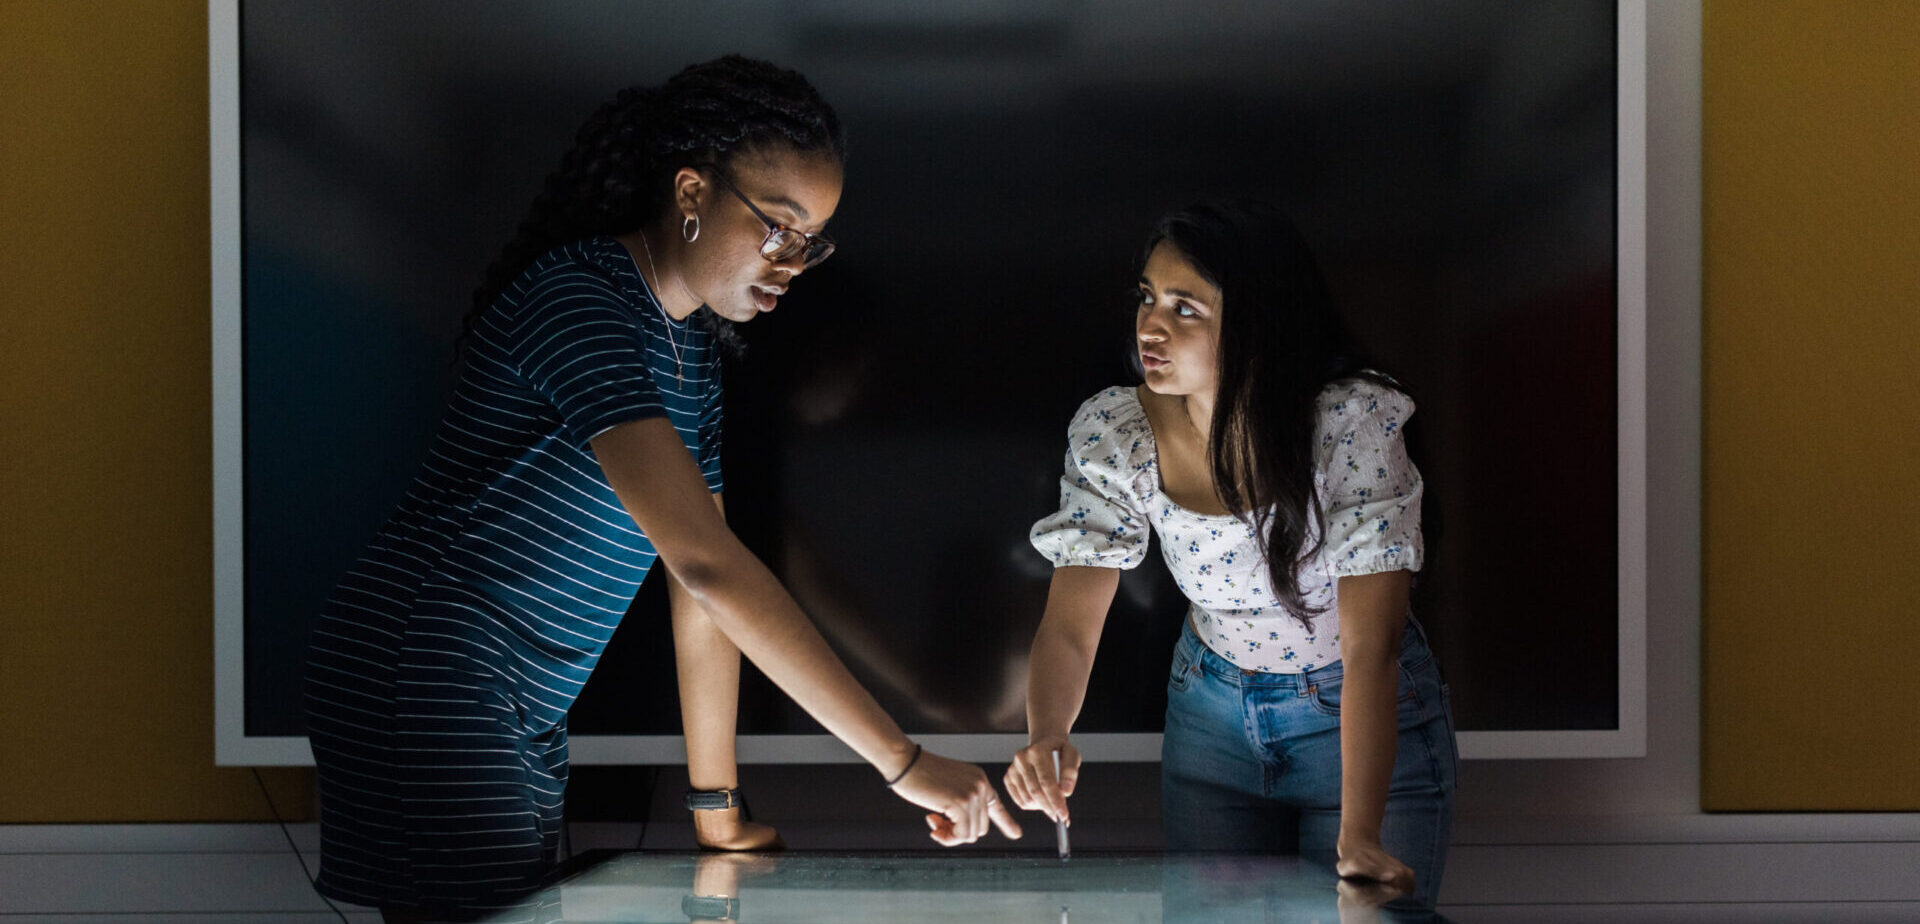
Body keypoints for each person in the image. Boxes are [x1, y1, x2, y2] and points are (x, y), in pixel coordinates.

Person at [305, 56, 1020, 922]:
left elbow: (701, 598)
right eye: (776, 227)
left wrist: (715, 808)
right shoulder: (583, 302)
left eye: (811, 240)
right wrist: (901, 762)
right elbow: (705, 565)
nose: (793, 261)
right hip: (428, 668)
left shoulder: (692, 360)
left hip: (520, 698)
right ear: (691, 193)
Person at [1004, 201, 1457, 912]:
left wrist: (1360, 833)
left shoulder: (1349, 422)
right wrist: (1046, 737)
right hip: (1210, 722)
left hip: (1355, 715)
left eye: (1186, 308)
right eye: (1148, 298)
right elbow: (1070, 625)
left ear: (1257, 321)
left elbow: (1375, 646)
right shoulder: (1117, 429)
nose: (1150, 326)